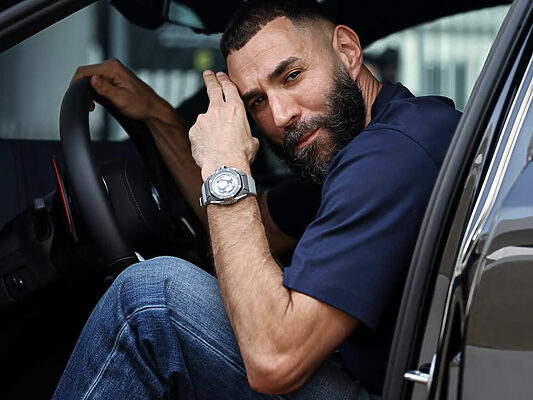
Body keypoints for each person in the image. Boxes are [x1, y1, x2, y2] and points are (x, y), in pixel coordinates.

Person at [53, 0, 461, 399]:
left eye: (292, 75)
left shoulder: (389, 158)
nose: (281, 116)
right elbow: (250, 226)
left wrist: (226, 166)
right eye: (258, 101)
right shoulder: (356, 145)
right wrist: (158, 116)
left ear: (347, 51)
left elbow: (275, 360)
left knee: (145, 299)